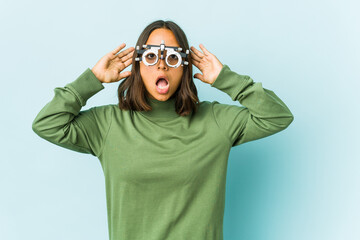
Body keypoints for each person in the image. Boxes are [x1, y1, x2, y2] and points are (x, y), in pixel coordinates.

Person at [32, 19, 294, 240]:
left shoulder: (215, 121)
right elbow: (48, 123)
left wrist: (226, 78)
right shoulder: (108, 125)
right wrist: (91, 80)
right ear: (137, 65)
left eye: (171, 56)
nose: (161, 65)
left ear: (184, 66)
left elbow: (277, 116)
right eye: (150, 56)